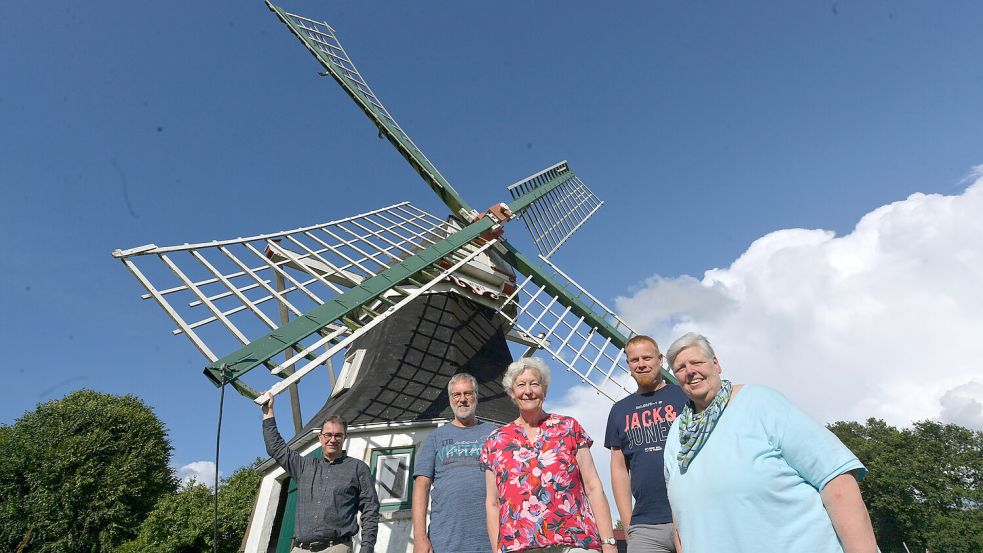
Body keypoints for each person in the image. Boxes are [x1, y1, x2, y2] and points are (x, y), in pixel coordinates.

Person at [662, 333, 878, 553]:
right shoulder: (676, 435)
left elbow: (836, 481)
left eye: (696, 362)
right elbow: (681, 521)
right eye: (680, 368)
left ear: (716, 364)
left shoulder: (760, 403)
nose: (689, 371)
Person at [480, 357, 618, 553]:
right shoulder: (496, 441)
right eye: (521, 385)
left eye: (534, 384)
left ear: (544, 390)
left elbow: (593, 486)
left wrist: (609, 542)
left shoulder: (568, 427)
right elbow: (493, 502)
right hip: (520, 545)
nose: (528, 391)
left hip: (574, 540)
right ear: (512, 393)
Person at [260, 391, 380, 553]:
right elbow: (276, 447)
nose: (332, 440)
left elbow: (370, 509)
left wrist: (367, 548)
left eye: (338, 435)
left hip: (336, 548)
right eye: (328, 435)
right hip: (300, 549)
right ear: (320, 437)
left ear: (345, 437)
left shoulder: (357, 468)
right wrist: (268, 413)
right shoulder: (303, 466)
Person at [604, 336, 687, 552]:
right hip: (646, 525)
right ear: (628, 365)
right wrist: (628, 523)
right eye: (635, 359)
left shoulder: (683, 396)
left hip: (690, 512)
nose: (641, 364)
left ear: (660, 359)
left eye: (647, 358)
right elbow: (619, 468)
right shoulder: (620, 410)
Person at [412, 373, 496, 553]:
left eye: (468, 393)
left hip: (490, 539)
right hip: (446, 540)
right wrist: (419, 538)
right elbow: (421, 486)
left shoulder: (494, 433)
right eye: (457, 394)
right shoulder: (435, 437)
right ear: (450, 399)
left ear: (476, 396)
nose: (462, 399)